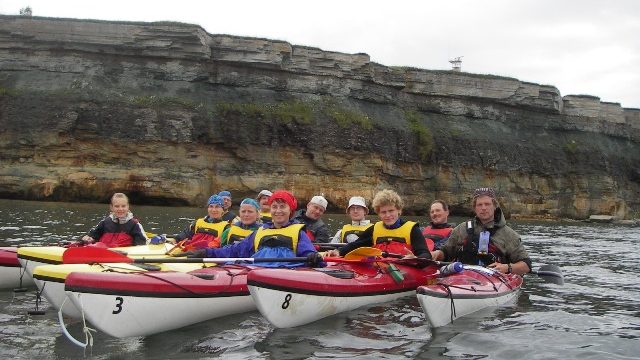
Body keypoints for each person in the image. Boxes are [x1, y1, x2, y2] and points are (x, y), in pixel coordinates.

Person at [176, 190, 321, 267]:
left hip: (285, 274)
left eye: (282, 207)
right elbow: (234, 251)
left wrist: (313, 258)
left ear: (291, 211)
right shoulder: (260, 232)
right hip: (257, 273)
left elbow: (310, 254)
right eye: (274, 207)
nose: (278, 211)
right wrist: (206, 252)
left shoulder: (298, 233)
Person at [431, 187, 531, 275]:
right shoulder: (461, 229)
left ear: (494, 206)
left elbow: (526, 265)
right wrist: (437, 254)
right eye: (479, 205)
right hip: (461, 278)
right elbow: (446, 253)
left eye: (487, 204)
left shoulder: (509, 234)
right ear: (475, 208)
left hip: (494, 281)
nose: (483, 208)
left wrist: (507, 268)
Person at [326, 189, 433, 259]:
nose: (388, 215)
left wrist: (415, 258)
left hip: (405, 271)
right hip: (381, 271)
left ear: (398, 210)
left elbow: (425, 254)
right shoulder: (375, 229)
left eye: (391, 211)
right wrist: (338, 252)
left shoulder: (413, 230)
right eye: (383, 212)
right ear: (379, 214)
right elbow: (356, 245)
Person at [81, 192, 148, 247]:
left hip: (126, 255)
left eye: (123, 206)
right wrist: (89, 238)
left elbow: (141, 243)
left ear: (128, 207)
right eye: (117, 206)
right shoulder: (104, 223)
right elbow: (94, 235)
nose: (120, 209)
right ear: (111, 207)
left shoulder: (135, 224)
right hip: (106, 254)